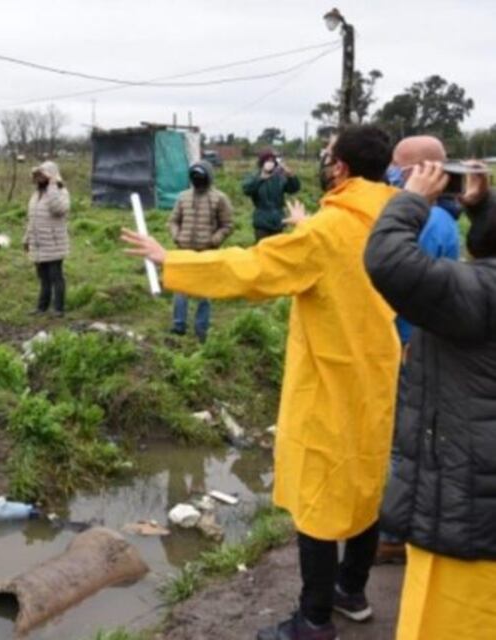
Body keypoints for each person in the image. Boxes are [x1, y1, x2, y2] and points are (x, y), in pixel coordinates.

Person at [123, 125, 399, 640]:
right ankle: (352, 591)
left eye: (328, 153)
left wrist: (171, 260)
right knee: (365, 485)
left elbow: (252, 270)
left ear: (339, 168)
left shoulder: (327, 230)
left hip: (329, 379)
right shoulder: (397, 217)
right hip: (379, 372)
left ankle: (314, 620)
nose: (322, 159)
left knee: (317, 499)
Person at [364, 161, 496, 640]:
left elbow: (390, 262)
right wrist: (482, 207)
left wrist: (411, 200)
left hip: (470, 517)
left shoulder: (482, 292)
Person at [376, 136, 461, 566]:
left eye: (396, 164)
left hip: (402, 345)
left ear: (415, 170)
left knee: (398, 442)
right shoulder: (445, 221)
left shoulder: (417, 220)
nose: (390, 171)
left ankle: (391, 534)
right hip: (425, 343)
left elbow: (396, 283)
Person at [168, 161, 233, 342]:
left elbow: (227, 225)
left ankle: (201, 330)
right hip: (184, 250)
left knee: (204, 292)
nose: (197, 179)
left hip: (207, 252)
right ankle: (178, 326)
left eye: (200, 176)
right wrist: (177, 235)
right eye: (194, 176)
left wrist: (215, 240)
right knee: (180, 288)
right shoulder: (183, 197)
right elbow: (173, 221)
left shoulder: (219, 198)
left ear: (208, 177)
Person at [23, 160, 70, 317]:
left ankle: (58, 308)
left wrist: (52, 186)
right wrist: (27, 238)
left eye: (43, 176)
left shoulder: (61, 192)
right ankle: (41, 307)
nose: (39, 179)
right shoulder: (36, 195)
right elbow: (32, 218)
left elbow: (58, 209)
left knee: (56, 276)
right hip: (39, 243)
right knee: (43, 278)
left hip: (54, 243)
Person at [243, 150, 301, 243]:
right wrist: (261, 179)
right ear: (262, 163)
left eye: (272, 161)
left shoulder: (279, 178)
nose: (270, 163)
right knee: (263, 250)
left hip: (278, 221)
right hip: (262, 222)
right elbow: (246, 190)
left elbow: (294, 188)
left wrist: (291, 176)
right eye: (267, 161)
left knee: (276, 250)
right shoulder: (254, 176)